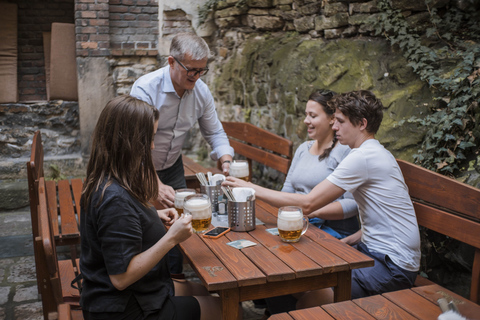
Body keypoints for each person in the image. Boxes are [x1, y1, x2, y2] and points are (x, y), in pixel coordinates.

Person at [224, 90, 421, 313]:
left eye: (340, 121)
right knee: (287, 281)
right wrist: (351, 240)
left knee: (311, 296)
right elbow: (383, 220)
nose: (335, 126)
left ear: (362, 124)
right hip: (374, 252)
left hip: (392, 266)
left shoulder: (363, 157)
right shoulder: (371, 153)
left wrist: (251, 188)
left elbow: (308, 204)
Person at [79, 95, 222, 320]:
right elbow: (121, 278)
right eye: (149, 139)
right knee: (223, 309)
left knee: (206, 290)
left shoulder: (106, 178)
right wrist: (171, 238)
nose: (153, 146)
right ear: (129, 141)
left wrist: (153, 215)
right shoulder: (114, 198)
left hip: (139, 291)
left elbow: (116, 225)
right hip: (124, 308)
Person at [130, 32, 234, 275]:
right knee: (149, 225)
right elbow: (136, 144)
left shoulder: (201, 92)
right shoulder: (145, 89)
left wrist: (225, 158)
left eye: (202, 70)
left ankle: (176, 279)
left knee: (179, 223)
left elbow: (215, 132)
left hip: (173, 165)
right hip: (139, 167)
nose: (196, 77)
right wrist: (153, 182)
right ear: (171, 62)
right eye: (191, 70)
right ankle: (149, 280)